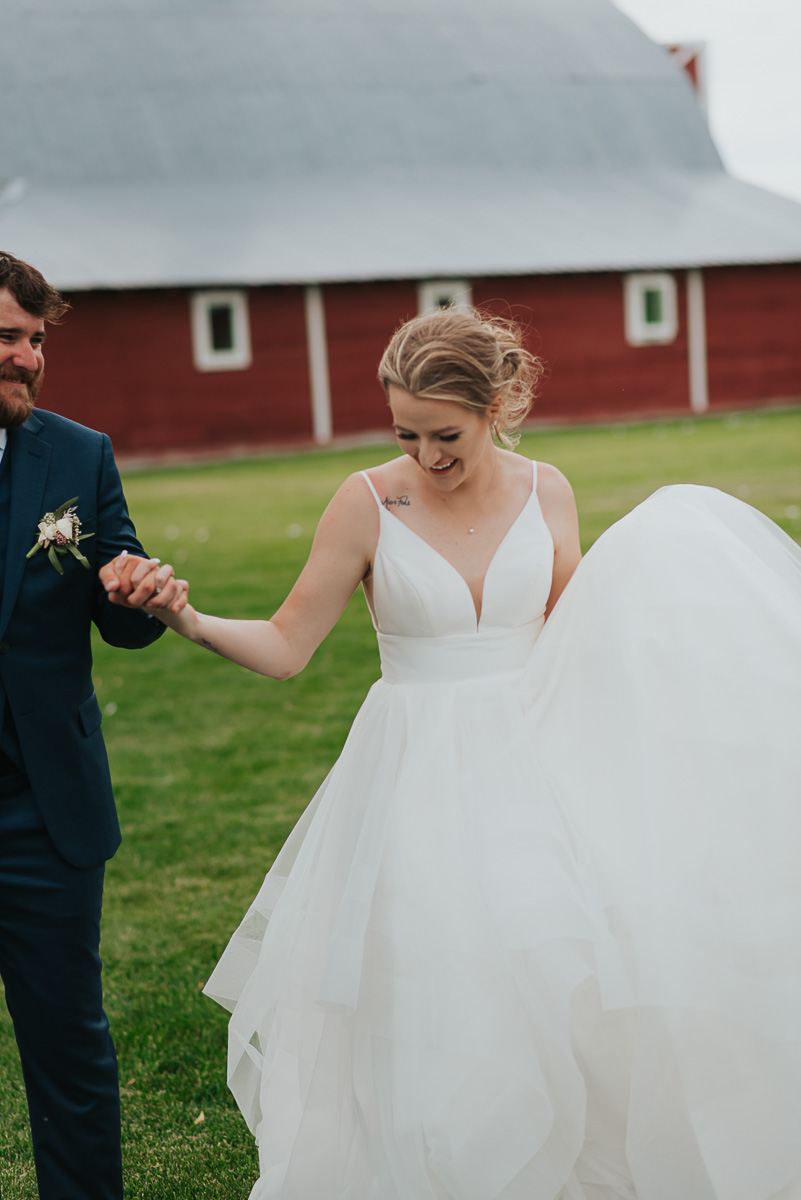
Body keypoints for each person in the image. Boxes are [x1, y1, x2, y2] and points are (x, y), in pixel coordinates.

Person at [141, 307, 801, 1199]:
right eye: (404, 434)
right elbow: (287, 646)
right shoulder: (366, 502)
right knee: (439, 993)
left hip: (537, 770)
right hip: (413, 783)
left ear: (497, 405)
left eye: (444, 434)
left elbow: (574, 637)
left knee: (559, 986)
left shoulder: (548, 492)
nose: (425, 456)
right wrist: (186, 620)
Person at [0, 251, 187, 1200]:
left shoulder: (79, 455)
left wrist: (136, 590)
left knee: (70, 1054)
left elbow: (122, 612)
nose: (29, 359)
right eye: (7, 337)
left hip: (44, 812)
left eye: (36, 340)